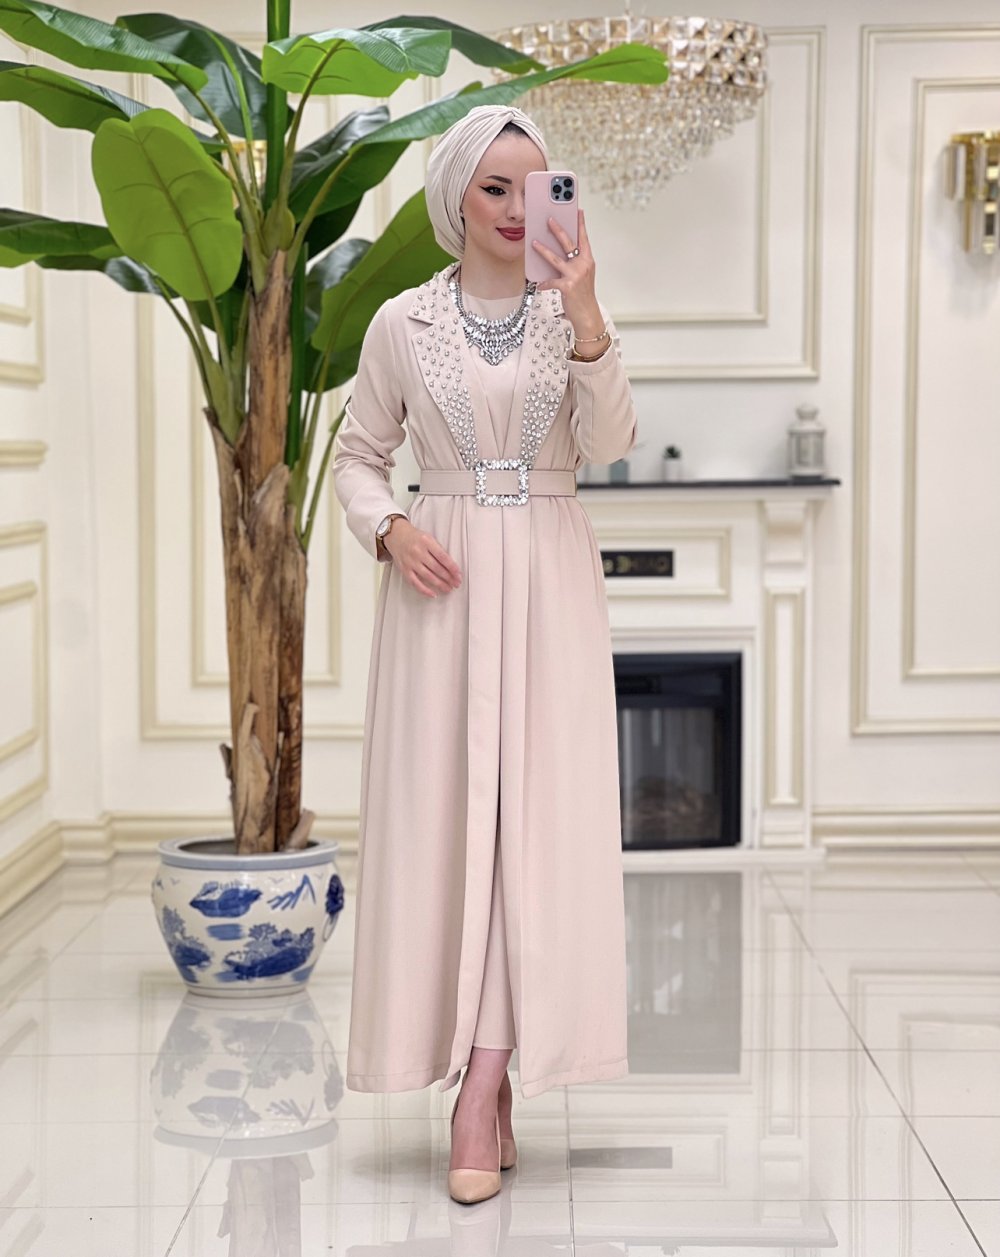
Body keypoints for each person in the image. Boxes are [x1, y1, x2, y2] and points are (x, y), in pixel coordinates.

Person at [331, 103, 638, 1205]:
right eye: (494, 188)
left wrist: (587, 311)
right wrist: (390, 528)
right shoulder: (402, 324)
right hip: (443, 585)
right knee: (451, 831)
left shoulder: (570, 314)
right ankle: (476, 1071)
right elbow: (359, 456)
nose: (516, 209)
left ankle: (482, 1086)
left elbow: (610, 443)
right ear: (455, 198)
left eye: (535, 187)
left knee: (536, 834)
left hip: (551, 579)